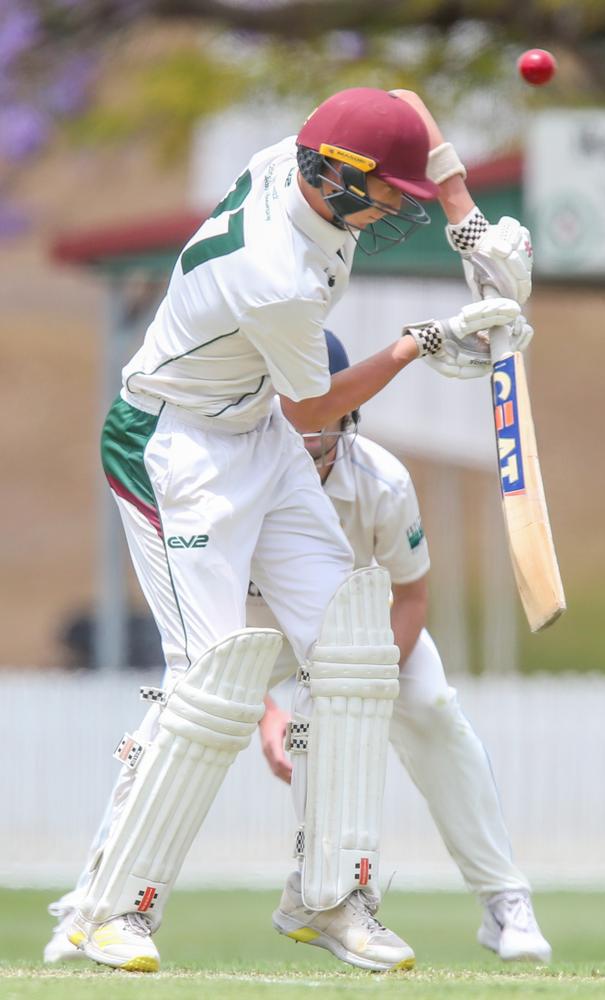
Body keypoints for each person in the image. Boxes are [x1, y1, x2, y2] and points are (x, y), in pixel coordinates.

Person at [57, 86, 536, 973]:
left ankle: (330, 896)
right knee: (213, 686)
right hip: (175, 449)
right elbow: (312, 401)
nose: (397, 203)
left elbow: (402, 104)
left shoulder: (302, 154)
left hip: (259, 438)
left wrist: (471, 226)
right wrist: (426, 343)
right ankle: (106, 910)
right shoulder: (273, 272)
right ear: (335, 177)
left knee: (353, 653)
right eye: (387, 191)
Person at [256, 330, 551, 964]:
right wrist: (267, 711)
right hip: (262, 632)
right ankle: (108, 901)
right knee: (183, 714)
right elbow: (208, 617)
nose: (307, 435)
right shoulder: (241, 476)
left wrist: (368, 688)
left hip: (365, 634)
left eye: (322, 414)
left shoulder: (382, 481)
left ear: (347, 409)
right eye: (292, 409)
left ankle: (503, 901)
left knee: (437, 713)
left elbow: (411, 597)